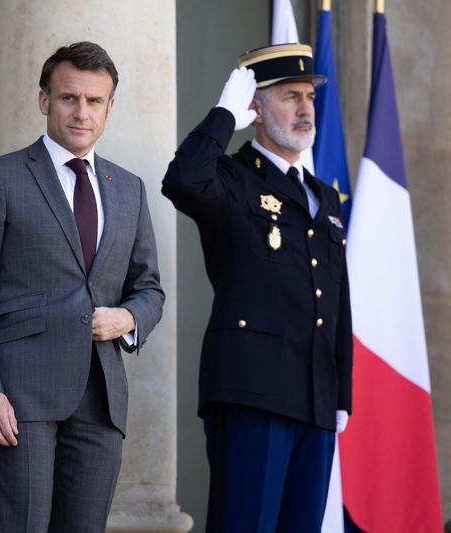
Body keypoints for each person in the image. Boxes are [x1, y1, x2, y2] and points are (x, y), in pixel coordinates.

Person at [0, 41, 164, 532]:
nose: (81, 112)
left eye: (94, 101)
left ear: (110, 107)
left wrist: (128, 318)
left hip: (101, 397)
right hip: (20, 396)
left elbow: (149, 288)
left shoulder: (127, 188)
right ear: (45, 100)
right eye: (69, 98)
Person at [161, 43, 352, 532]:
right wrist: (224, 114)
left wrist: (341, 391)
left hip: (314, 396)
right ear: (256, 107)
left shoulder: (323, 196)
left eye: (309, 96)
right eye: (290, 96)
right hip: (252, 391)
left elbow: (337, 299)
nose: (305, 108)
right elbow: (183, 180)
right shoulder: (233, 179)